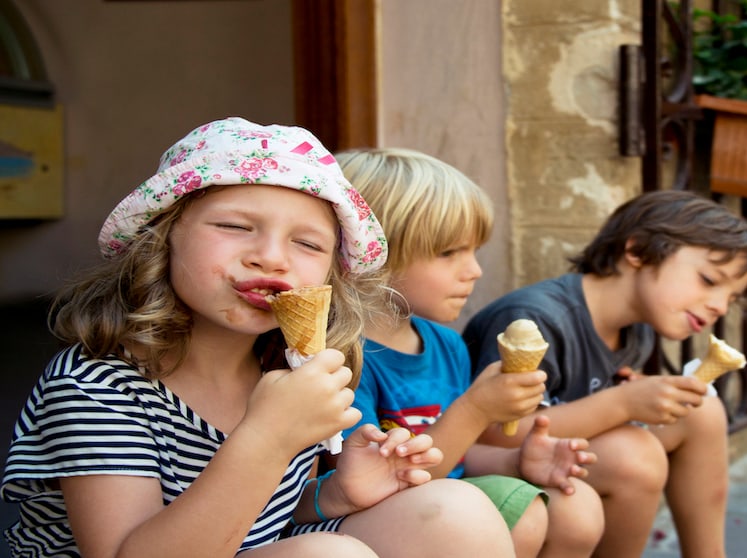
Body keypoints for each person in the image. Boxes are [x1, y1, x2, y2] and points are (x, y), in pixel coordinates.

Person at [1, 118, 516, 558]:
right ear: (162, 239)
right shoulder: (98, 387)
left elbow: (262, 517)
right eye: (234, 225)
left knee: (456, 510)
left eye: (307, 243)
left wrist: (334, 493)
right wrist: (268, 437)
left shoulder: (288, 369)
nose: (271, 256)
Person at [462, 189, 747, 558]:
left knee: (702, 411)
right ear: (638, 251)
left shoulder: (636, 330)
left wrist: (637, 396)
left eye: (732, 298)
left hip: (562, 452)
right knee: (634, 457)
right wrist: (622, 404)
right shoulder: (537, 320)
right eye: (709, 280)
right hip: (479, 465)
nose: (719, 306)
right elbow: (495, 436)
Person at [337, 148, 605, 558]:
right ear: (371, 253)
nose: (475, 271)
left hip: (443, 498)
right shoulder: (343, 358)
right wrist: (476, 409)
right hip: (373, 520)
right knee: (527, 513)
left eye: (474, 251)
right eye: (449, 253)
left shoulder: (445, 344)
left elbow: (458, 455)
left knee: (577, 506)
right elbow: (384, 481)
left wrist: (517, 463)